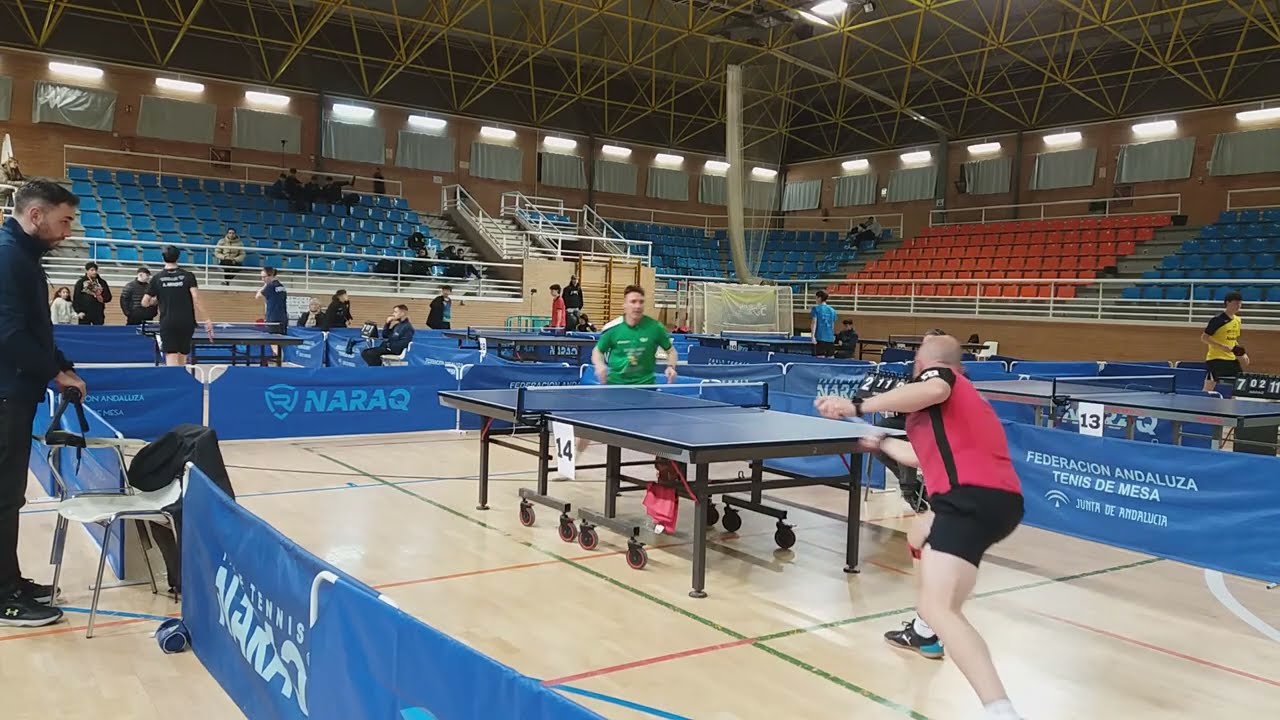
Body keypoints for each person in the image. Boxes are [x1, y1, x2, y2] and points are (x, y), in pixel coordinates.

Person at [815, 334, 1026, 720]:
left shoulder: (939, 379)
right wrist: (880, 443)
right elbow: (920, 455)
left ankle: (1001, 710)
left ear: (927, 360)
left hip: (969, 498)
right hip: (995, 502)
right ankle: (924, 630)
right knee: (917, 534)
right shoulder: (958, 406)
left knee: (941, 606)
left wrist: (856, 405)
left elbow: (932, 388)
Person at [0, 179, 88, 627]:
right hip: (4, 394)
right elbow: (9, 334)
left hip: (15, 391)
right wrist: (55, 372)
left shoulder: (23, 256)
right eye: (64, 220)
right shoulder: (7, 256)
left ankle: (8, 580)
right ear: (36, 216)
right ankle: (2, 597)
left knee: (9, 494)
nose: (68, 231)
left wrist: (62, 364)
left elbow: (35, 331)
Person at [142, 246, 214, 366]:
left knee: (171, 356)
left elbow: (144, 302)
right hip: (186, 322)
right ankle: (181, 382)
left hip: (168, 322)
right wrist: (207, 319)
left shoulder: (157, 278)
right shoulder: (189, 276)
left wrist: (157, 300)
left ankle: (173, 382)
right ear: (178, 257)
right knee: (182, 357)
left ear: (163, 258)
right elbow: (196, 298)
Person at [592, 285, 677, 386]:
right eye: (633, 302)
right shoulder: (613, 329)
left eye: (641, 302)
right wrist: (599, 365)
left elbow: (671, 351)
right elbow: (597, 351)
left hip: (646, 385)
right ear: (624, 305)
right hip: (616, 385)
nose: (637, 306)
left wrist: (671, 366)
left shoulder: (655, 327)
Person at [1201, 291, 1249, 392]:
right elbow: (1204, 338)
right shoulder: (1217, 320)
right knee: (1213, 387)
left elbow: (1233, 340)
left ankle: (1232, 404)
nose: (1238, 306)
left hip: (1231, 359)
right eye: (1236, 303)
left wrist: (1242, 354)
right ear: (1228, 303)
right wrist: (1221, 346)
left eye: (1240, 303)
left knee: (1238, 386)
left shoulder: (1237, 320)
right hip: (1216, 358)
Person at [72, 261, 111, 325]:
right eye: (92, 270)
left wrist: (102, 297)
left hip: (98, 313)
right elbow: (76, 298)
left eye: (95, 270)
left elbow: (108, 297)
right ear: (87, 271)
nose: (94, 272)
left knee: (98, 332)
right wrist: (78, 311)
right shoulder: (81, 282)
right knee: (84, 332)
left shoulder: (102, 282)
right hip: (84, 313)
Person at [256, 267, 289, 335]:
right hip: (283, 318)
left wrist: (265, 285)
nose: (263, 279)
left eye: (264, 277)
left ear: (271, 276)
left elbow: (258, 296)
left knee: (273, 341)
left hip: (273, 318)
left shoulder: (270, 286)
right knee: (281, 340)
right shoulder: (281, 286)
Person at [810, 289, 837, 357]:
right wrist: (832, 335)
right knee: (830, 359)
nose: (815, 299)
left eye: (816, 297)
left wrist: (812, 336)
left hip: (820, 338)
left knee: (820, 359)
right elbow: (832, 325)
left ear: (819, 298)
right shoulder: (832, 310)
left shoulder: (815, 309)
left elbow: (814, 322)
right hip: (830, 339)